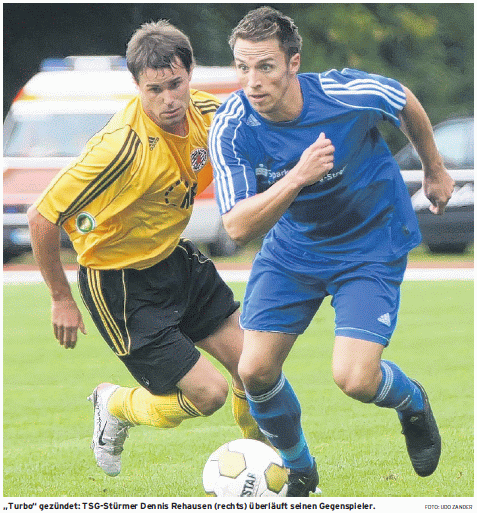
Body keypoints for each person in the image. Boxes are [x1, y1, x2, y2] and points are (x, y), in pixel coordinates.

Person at [209, 7, 454, 497]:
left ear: (293, 63)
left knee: (356, 380)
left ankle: (412, 403)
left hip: (370, 243)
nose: (252, 81)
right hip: (294, 250)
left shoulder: (345, 93)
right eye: (242, 67)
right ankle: (300, 468)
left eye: (266, 66)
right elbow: (236, 226)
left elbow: (403, 99)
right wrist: (299, 176)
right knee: (254, 370)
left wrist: (434, 169)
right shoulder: (231, 126)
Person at [27, 20, 267, 479]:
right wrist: (60, 297)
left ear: (190, 74)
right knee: (209, 395)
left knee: (255, 369)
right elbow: (42, 217)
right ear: (137, 86)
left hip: (175, 260)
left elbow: (262, 136)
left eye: (176, 84)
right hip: (120, 284)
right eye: (155, 89)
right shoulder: (119, 148)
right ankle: (114, 404)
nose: (169, 99)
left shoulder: (210, 115)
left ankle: (262, 474)